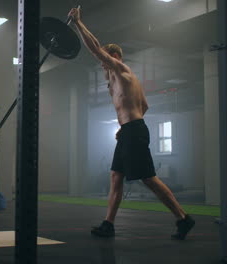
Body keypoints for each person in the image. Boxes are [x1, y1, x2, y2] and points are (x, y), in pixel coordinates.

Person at [68, 7, 195, 240]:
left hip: (134, 131)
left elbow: (95, 48)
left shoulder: (122, 70)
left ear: (114, 57)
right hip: (130, 130)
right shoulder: (119, 80)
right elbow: (144, 105)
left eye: (106, 60)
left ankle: (183, 218)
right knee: (116, 176)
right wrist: (125, 125)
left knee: (149, 179)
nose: (102, 65)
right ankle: (109, 224)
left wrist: (78, 23)